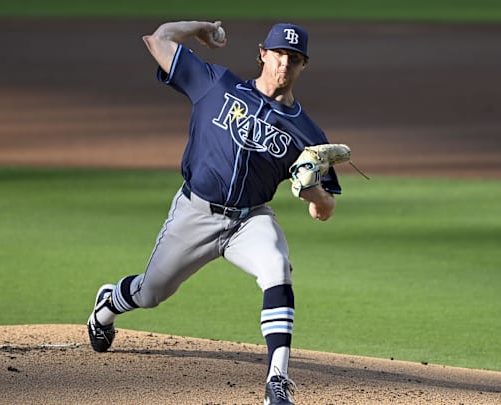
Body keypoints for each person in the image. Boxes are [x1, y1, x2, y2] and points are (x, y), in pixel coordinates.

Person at [86, 20, 343, 405]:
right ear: (262, 54)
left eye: (294, 58)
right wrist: (201, 28)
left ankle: (277, 381)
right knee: (151, 292)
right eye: (278, 54)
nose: (284, 64)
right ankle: (109, 303)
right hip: (196, 212)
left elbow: (324, 210)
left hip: (250, 219)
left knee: (276, 265)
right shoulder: (216, 84)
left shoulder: (309, 135)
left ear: (304, 65)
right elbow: (157, 40)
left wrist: (313, 191)